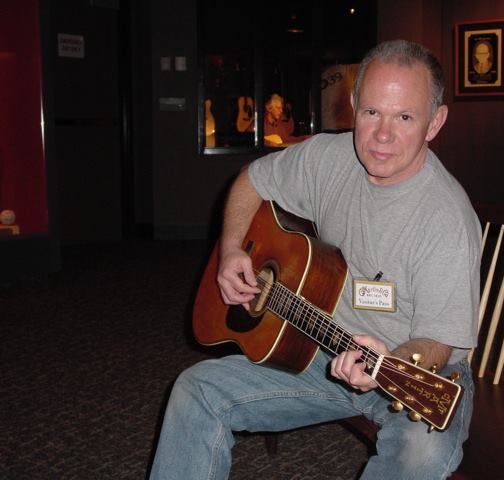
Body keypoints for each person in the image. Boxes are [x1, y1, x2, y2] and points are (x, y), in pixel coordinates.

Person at [150, 39, 481, 479]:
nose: (383, 135)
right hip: (319, 350)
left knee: (419, 457)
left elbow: (438, 343)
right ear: (354, 106)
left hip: (413, 376)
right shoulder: (329, 157)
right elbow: (251, 179)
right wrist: (231, 249)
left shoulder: (446, 219)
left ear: (434, 122)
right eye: (372, 112)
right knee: (196, 391)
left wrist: (389, 364)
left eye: (405, 117)